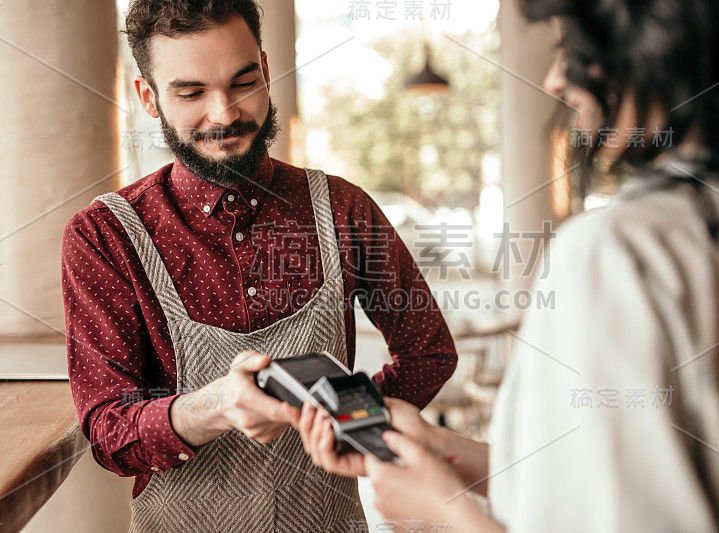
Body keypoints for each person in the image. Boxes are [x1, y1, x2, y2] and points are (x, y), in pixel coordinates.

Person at [298, 0, 719, 531]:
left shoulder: (617, 251)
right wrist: (443, 451)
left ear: (649, 43)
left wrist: (441, 511)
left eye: (569, 48)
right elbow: (612, 482)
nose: (555, 79)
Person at [61, 1, 457, 531]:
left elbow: (428, 352)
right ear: (149, 98)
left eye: (242, 82)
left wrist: (343, 420)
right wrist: (219, 404)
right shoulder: (103, 237)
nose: (224, 114)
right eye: (192, 92)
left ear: (267, 71)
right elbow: (109, 432)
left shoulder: (343, 209)